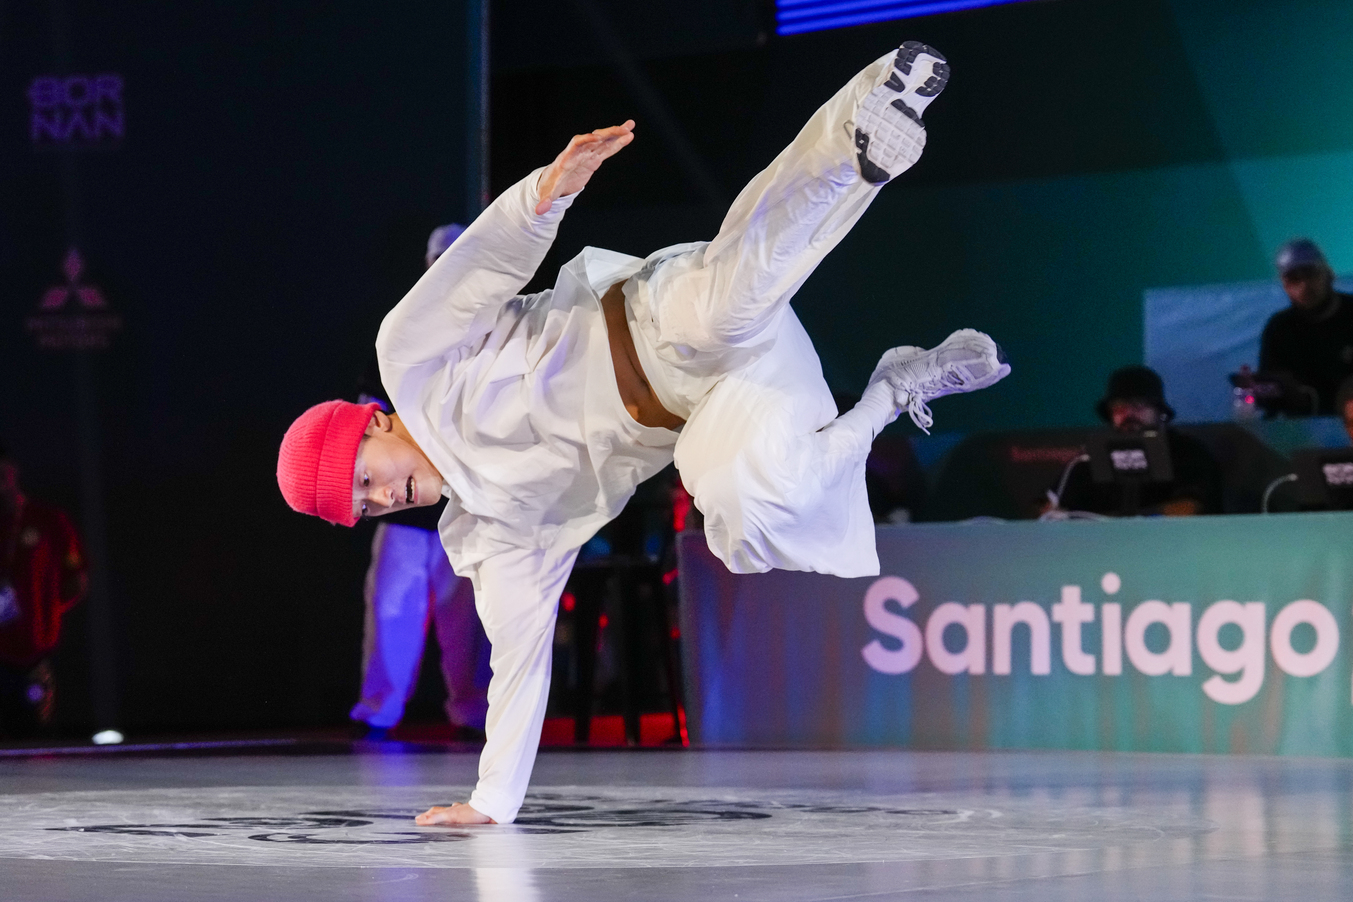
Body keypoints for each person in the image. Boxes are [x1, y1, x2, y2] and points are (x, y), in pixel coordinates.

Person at [277, 42, 1010, 825]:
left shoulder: (411, 356)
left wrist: (545, 194)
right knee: (749, 521)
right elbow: (516, 668)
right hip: (726, 397)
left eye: (364, 476)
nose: (382, 497)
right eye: (365, 509)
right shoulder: (495, 537)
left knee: (731, 299)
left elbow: (480, 265)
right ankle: (890, 392)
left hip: (659, 314)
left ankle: (867, 118)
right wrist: (491, 803)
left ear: (375, 422)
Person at [348, 224, 491, 742]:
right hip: (406, 511)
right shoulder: (401, 332)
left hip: (466, 501)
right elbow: (368, 411)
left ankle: (473, 709)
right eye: (437, 262)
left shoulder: (487, 326)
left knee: (469, 615)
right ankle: (379, 708)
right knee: (391, 608)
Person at [0, 444, 88, 738]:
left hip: (34, 655)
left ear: (14, 470)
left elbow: (76, 581)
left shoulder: (50, 521)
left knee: (36, 744)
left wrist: (46, 614)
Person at [1058, 366, 1223, 517]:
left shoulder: (1187, 451)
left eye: (1138, 405)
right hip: (1100, 545)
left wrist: (1122, 521)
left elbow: (1190, 507)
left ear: (1159, 412)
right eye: (1119, 407)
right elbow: (1047, 505)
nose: (1128, 414)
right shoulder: (1090, 457)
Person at [1258, 238, 1353, 415]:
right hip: (1307, 431)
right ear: (1285, 286)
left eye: (1310, 274)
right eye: (1293, 279)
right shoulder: (1280, 328)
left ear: (1329, 274)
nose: (1304, 286)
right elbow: (1267, 393)